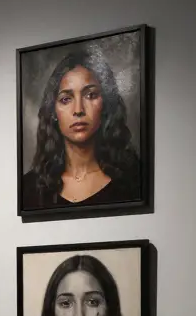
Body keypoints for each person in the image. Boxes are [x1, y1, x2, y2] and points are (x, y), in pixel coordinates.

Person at [21, 50, 143, 209]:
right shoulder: (28, 188)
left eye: (90, 95)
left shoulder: (135, 179)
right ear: (53, 111)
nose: (78, 110)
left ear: (105, 104)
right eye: (66, 99)